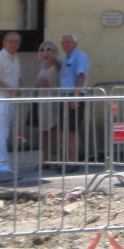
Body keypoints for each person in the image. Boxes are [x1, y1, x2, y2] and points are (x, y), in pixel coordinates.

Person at [60, 34, 89, 172]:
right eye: (63, 42)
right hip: (64, 96)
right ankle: (65, 160)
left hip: (74, 96)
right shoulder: (66, 59)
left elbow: (81, 76)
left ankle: (73, 161)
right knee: (65, 129)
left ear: (75, 44)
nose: (65, 44)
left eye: (68, 42)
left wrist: (75, 97)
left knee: (72, 130)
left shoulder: (79, 56)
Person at [0, 32, 22, 183]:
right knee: (1, 133)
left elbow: (18, 78)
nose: (14, 44)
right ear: (4, 42)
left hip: (10, 99)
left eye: (16, 42)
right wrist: (9, 89)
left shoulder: (16, 59)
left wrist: (19, 89)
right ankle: (3, 166)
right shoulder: (0, 58)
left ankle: (5, 165)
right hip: (1, 98)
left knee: (5, 133)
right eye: (11, 41)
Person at [35, 41, 62, 169]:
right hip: (43, 101)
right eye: (42, 49)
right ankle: (45, 159)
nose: (45, 51)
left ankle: (57, 159)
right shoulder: (41, 65)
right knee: (44, 131)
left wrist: (50, 55)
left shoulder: (57, 62)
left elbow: (56, 65)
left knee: (55, 130)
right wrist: (39, 84)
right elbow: (36, 83)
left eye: (48, 48)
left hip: (53, 99)